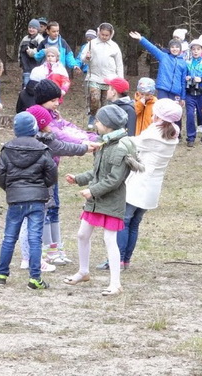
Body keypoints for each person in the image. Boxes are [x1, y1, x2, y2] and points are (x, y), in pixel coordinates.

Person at [63, 104, 143, 297]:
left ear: (108, 125)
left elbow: (115, 179)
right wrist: (79, 179)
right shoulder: (104, 144)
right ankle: (83, 271)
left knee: (109, 240)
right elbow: (97, 172)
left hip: (111, 202)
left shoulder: (120, 148)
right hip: (95, 201)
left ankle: (115, 283)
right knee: (82, 234)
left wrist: (93, 191)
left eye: (98, 121)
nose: (95, 124)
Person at [98, 98, 182, 270]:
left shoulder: (154, 134)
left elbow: (131, 143)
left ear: (159, 117)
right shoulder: (172, 133)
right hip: (153, 185)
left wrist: (111, 137)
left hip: (139, 183)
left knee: (123, 221)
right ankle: (125, 260)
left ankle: (117, 259)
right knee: (134, 223)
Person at [19, 103, 97, 273]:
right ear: (41, 124)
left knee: (25, 222)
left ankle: (27, 257)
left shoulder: (22, 142)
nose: (51, 124)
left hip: (22, 189)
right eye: (48, 122)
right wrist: (85, 147)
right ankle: (34, 258)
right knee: (35, 223)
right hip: (39, 189)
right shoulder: (45, 141)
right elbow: (64, 147)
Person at [0, 112, 57, 290]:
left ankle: (1, 274)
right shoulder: (43, 149)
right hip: (37, 200)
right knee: (35, 239)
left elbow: (0, 175)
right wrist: (41, 187)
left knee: (9, 238)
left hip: (16, 199)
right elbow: (52, 175)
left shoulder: (7, 149)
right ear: (34, 129)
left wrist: (11, 189)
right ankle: (35, 278)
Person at [129, 31, 187, 120]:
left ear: (180, 49)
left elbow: (183, 81)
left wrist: (183, 97)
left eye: (177, 47)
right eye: (172, 47)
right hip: (163, 89)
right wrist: (141, 39)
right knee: (162, 112)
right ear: (169, 48)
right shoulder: (163, 56)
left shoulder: (183, 63)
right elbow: (152, 48)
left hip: (176, 92)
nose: (174, 49)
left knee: (174, 114)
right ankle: (160, 128)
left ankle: (174, 129)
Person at [81, 23, 124, 129]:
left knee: (106, 102)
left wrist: (120, 79)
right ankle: (93, 115)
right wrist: (87, 57)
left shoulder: (114, 46)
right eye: (102, 34)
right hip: (94, 76)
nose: (104, 37)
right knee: (94, 99)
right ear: (98, 32)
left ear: (111, 34)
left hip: (110, 78)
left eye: (106, 35)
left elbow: (119, 64)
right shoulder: (92, 43)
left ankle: (104, 121)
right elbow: (83, 59)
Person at [184, 39, 202, 147]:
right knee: (190, 115)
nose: (196, 51)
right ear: (191, 50)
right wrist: (186, 78)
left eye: (198, 49)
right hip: (190, 93)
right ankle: (191, 137)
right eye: (193, 49)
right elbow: (183, 75)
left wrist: (201, 79)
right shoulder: (187, 62)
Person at [18, 18, 44, 87]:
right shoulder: (25, 39)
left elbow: (41, 51)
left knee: (35, 84)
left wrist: (32, 52)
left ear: (37, 29)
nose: (31, 29)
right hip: (26, 66)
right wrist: (20, 61)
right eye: (30, 27)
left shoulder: (40, 39)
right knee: (26, 83)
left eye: (33, 28)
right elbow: (20, 50)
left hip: (36, 67)